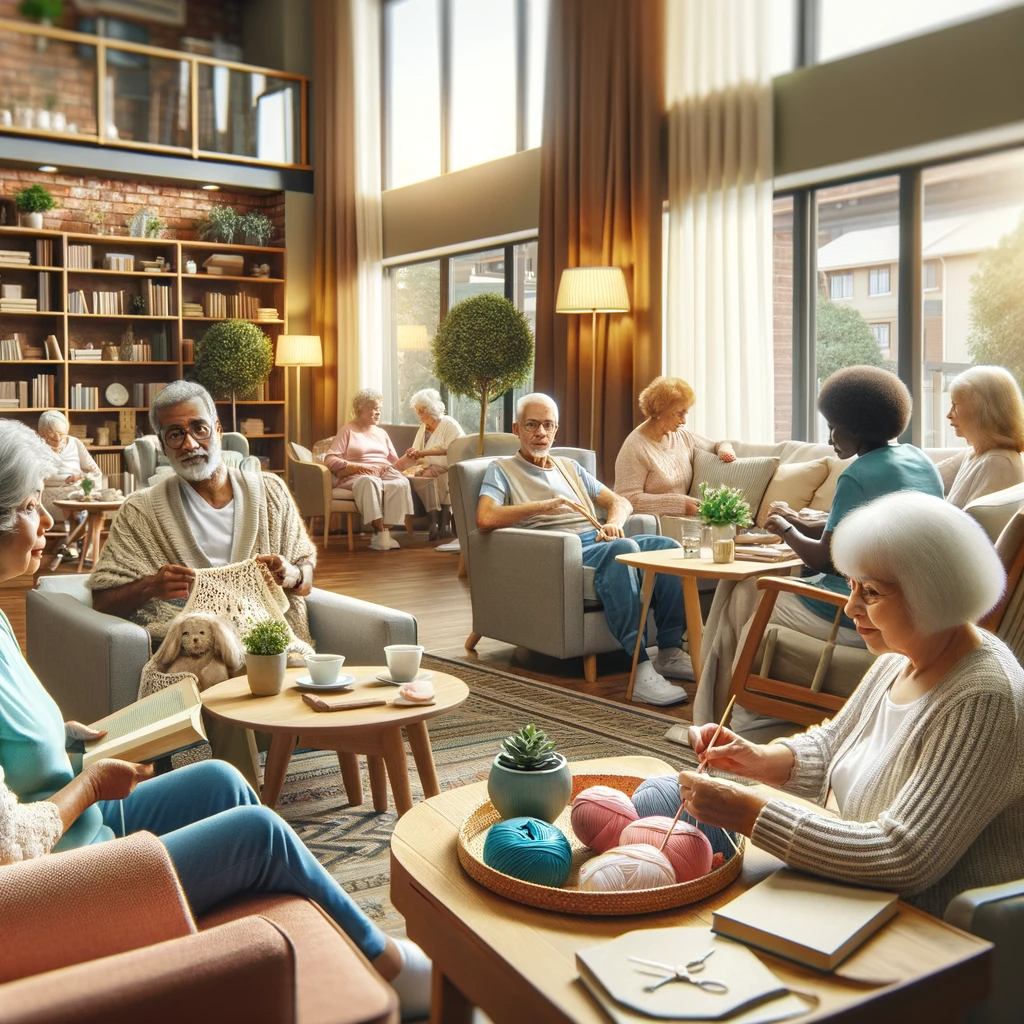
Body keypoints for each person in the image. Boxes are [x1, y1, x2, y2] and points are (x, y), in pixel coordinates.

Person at [0, 419, 431, 1018]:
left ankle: (284, 949)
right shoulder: (147, 511)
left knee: (225, 783)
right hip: (54, 879)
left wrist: (69, 736)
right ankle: (390, 967)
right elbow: (8, 845)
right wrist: (94, 782)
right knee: (259, 835)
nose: (47, 521)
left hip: (81, 825)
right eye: (29, 507)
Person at [674, 492, 1024, 918]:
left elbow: (902, 857)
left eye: (871, 592)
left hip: (932, 930)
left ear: (933, 593)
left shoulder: (983, 697)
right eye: (853, 585)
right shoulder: (900, 657)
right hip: (860, 900)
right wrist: (759, 759)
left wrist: (750, 812)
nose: (851, 605)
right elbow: (833, 745)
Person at [695, 366, 945, 735]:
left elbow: (823, 558)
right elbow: (854, 527)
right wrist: (800, 521)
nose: (830, 438)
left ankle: (735, 719)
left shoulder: (858, 474)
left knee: (743, 591)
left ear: (855, 428)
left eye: (832, 427)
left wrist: (784, 527)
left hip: (856, 609)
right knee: (749, 590)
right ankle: (733, 714)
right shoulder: (919, 462)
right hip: (910, 604)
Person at [476, 393, 690, 707]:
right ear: (516, 428)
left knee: (668, 549)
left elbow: (620, 501)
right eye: (532, 425)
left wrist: (614, 522)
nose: (541, 433)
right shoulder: (502, 469)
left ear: (556, 429)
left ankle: (669, 651)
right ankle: (640, 667)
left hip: (598, 540)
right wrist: (544, 506)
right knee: (624, 550)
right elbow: (485, 517)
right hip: (560, 551)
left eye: (548, 425)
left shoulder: (569, 467)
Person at [88, 380, 316, 644]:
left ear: (218, 430)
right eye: (175, 434)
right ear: (163, 447)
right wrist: (151, 586)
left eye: (199, 429)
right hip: (193, 650)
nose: (190, 444)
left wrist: (293, 575)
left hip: (271, 645)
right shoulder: (140, 511)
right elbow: (102, 601)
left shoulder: (271, 493)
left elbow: (306, 578)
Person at [614, 376, 737, 515]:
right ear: (660, 410)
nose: (684, 420)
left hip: (687, 522)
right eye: (679, 413)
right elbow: (626, 500)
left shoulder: (681, 435)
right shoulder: (634, 448)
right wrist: (679, 505)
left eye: (686, 413)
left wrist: (725, 450)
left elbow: (718, 444)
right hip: (656, 527)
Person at [325, 389, 414, 552]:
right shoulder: (348, 430)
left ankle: (382, 533)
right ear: (360, 408)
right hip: (358, 475)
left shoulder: (382, 433)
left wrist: (409, 458)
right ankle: (382, 534)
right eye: (373, 407)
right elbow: (330, 459)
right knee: (370, 481)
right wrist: (359, 467)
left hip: (384, 473)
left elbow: (395, 464)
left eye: (380, 407)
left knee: (401, 483)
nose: (378, 411)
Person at [939, 365, 1024, 508]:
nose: (949, 414)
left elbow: (975, 527)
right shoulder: (977, 452)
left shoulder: (998, 463)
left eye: (955, 405)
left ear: (980, 410)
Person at [399, 388, 464, 541]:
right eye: (417, 411)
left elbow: (453, 448)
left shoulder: (449, 424)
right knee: (418, 476)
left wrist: (422, 454)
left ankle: (441, 525)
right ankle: (434, 523)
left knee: (430, 475)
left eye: (421, 411)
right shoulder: (424, 428)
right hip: (426, 467)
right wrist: (413, 453)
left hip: (448, 466)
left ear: (431, 409)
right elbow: (417, 450)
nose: (419, 415)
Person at [38, 409, 102, 562]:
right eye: (52, 435)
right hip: (48, 495)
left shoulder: (75, 443)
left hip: (75, 491)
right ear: (43, 434)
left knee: (84, 504)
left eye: (61, 433)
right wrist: (67, 479)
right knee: (77, 507)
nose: (58, 438)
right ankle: (73, 545)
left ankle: (71, 545)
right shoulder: (37, 446)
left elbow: (95, 470)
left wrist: (88, 477)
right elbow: (35, 477)